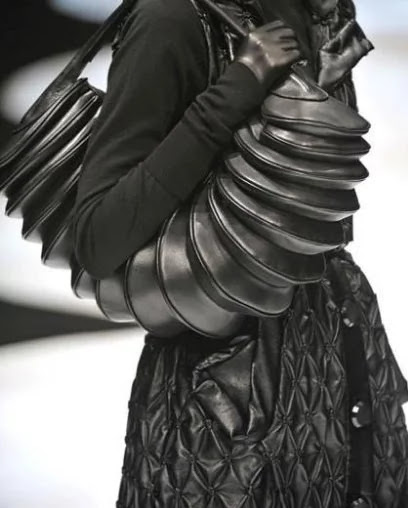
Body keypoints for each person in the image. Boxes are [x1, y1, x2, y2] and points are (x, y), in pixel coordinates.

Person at [71, 0, 408, 506]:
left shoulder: (320, 10)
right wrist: (237, 87)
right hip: (223, 404)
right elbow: (98, 241)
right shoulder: (171, 20)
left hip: (340, 365)